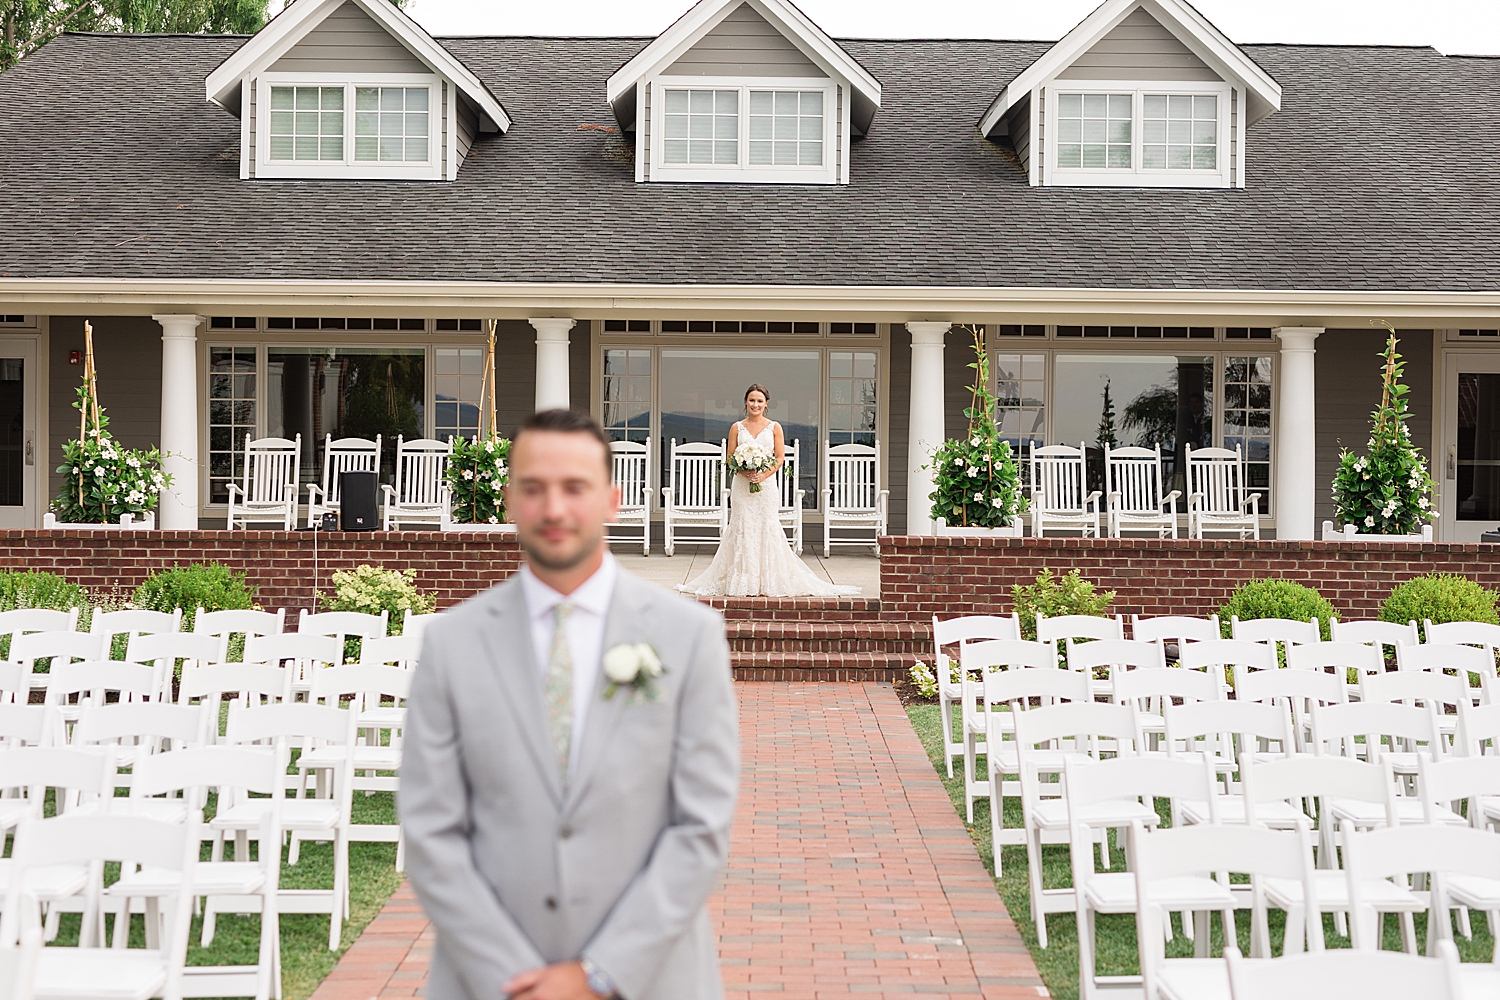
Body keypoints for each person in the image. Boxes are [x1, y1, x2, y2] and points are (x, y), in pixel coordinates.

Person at [401, 408, 740, 1000]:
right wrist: (516, 980)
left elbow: (701, 827)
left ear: (611, 499)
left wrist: (595, 975)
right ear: (508, 499)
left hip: (652, 979)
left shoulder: (690, 637)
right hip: (487, 984)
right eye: (533, 489)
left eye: (574, 488)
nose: (553, 509)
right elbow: (431, 830)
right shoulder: (451, 643)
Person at [680, 384, 859, 598]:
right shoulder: (737, 427)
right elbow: (729, 458)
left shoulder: (775, 427)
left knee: (766, 528)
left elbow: (780, 458)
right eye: (752, 400)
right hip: (742, 487)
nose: (755, 404)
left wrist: (763, 475)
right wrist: (744, 471)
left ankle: (767, 580)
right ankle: (742, 580)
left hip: (766, 488)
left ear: (766, 404)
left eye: (759, 401)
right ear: (745, 402)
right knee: (742, 527)